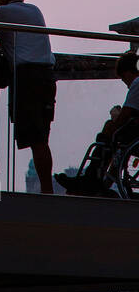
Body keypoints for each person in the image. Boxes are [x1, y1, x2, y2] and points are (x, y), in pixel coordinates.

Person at [0, 0, 56, 194]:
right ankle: (46, 188)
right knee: (41, 138)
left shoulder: (1, 13)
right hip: (47, 75)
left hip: (27, 78)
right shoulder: (35, 10)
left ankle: (46, 192)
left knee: (36, 138)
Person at [56, 52, 139, 196]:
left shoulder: (137, 83)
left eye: (124, 79)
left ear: (127, 72)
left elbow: (125, 116)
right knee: (116, 138)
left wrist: (114, 120)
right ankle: (97, 180)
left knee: (110, 129)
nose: (126, 85)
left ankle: (92, 178)